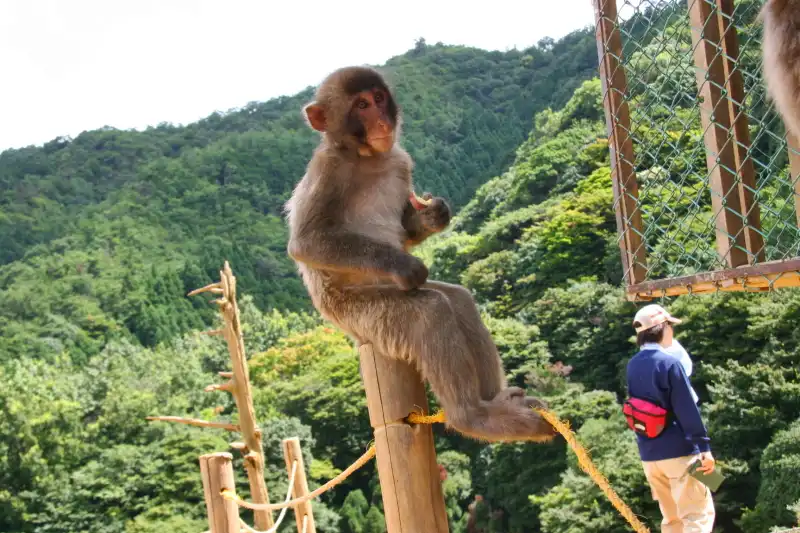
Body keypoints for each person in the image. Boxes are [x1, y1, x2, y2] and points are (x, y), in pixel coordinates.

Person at [626, 304, 716, 533]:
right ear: (661, 328)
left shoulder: (633, 364)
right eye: (670, 327)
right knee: (697, 515)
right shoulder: (669, 363)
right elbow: (686, 408)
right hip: (681, 452)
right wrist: (704, 447)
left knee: (672, 521)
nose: (672, 332)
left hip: (650, 457)